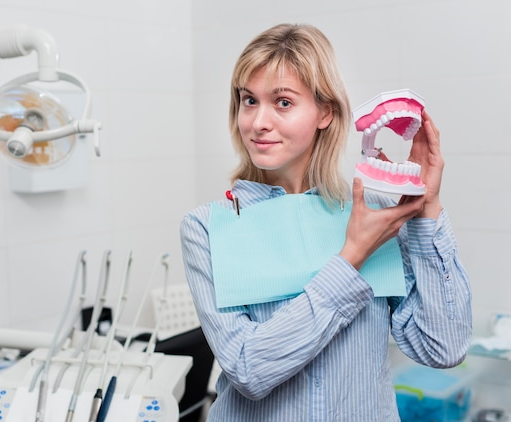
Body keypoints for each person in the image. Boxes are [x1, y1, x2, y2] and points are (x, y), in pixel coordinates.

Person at [179, 23, 471, 421]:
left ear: (325, 113)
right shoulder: (209, 229)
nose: (258, 122)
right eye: (249, 100)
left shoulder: (373, 214)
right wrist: (352, 257)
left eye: (282, 102)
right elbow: (248, 368)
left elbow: (443, 347)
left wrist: (426, 212)